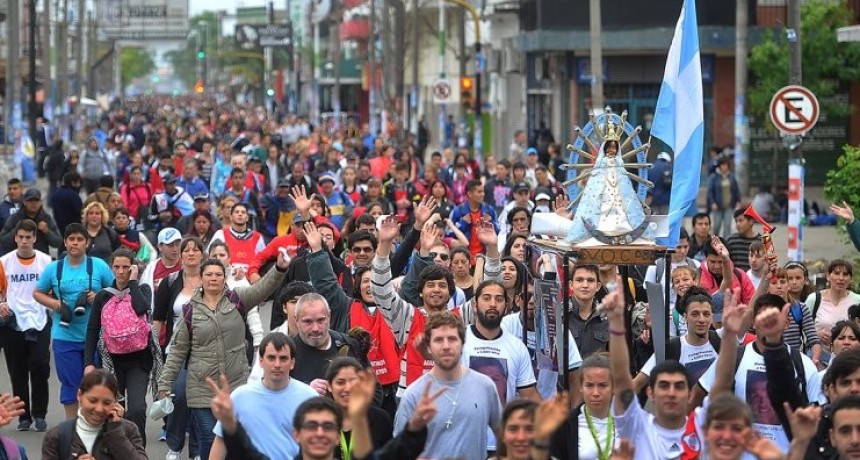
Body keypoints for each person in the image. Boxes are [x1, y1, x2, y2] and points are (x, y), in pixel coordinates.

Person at [157, 252, 288, 460]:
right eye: (208, 274)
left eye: (218, 274)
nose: (213, 278)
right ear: (201, 278)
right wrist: (164, 383)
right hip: (201, 387)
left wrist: (279, 269)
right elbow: (178, 350)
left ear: (224, 277)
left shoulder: (238, 299)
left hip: (235, 384)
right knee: (209, 439)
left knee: (234, 437)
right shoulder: (190, 311)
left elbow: (263, 289)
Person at [697, 293, 825, 452]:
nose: (767, 323)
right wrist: (729, 334)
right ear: (753, 322)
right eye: (762, 317)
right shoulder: (733, 358)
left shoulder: (804, 365)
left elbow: (815, 413)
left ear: (786, 323)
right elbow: (708, 393)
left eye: (773, 318)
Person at [395, 312, 503, 460]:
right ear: (429, 346)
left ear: (462, 343)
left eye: (452, 339)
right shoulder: (413, 394)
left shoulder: (485, 387)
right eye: (438, 340)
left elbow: (503, 435)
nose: (446, 346)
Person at [33, 224, 115, 420]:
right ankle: (73, 430)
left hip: (94, 335)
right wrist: (56, 304)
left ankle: (95, 426)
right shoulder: (55, 268)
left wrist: (99, 297)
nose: (75, 243)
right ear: (65, 242)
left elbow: (115, 292)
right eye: (71, 239)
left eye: (79, 239)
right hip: (65, 335)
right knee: (70, 385)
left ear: (87, 243)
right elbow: (37, 293)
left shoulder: (98, 266)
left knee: (96, 384)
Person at [83, 248, 159, 447]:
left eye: (126, 267)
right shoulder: (103, 296)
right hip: (113, 361)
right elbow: (92, 329)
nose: (121, 271)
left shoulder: (142, 290)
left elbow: (142, 308)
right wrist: (89, 362)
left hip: (139, 360)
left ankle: (137, 449)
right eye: (116, 267)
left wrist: (133, 282)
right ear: (111, 268)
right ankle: (117, 449)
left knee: (136, 409)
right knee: (115, 408)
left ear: (133, 268)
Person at [208, 333, 318, 460]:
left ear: (292, 363)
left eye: (283, 358)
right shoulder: (239, 396)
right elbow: (221, 441)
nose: (277, 364)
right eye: (271, 358)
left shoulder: (310, 398)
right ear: (261, 361)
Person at [151, 236, 208, 459]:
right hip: (176, 350)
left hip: (206, 349)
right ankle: (174, 445)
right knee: (180, 396)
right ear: (181, 255)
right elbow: (158, 318)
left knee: (201, 401)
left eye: (196, 250)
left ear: (202, 254)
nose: (191, 253)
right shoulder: (170, 281)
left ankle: (195, 450)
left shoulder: (212, 279)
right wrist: (155, 348)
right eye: (187, 250)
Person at [0, 219, 53, 432]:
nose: (24, 241)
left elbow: (51, 288)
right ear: (15, 238)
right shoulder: (4, 262)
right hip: (12, 322)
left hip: (39, 319)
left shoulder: (46, 261)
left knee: (40, 365)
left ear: (34, 238)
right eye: (20, 237)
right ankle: (24, 416)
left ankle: (40, 414)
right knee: (17, 370)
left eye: (28, 237)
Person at [565, 129, 651, 244]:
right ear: (605, 149)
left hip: (618, 192)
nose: (612, 150)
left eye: (614, 148)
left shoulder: (619, 164)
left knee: (621, 207)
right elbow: (595, 183)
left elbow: (625, 184)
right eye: (609, 147)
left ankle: (622, 228)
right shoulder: (600, 164)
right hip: (603, 192)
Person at [41, 369, 146, 459]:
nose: (99, 409)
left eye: (107, 403)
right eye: (93, 400)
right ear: (79, 396)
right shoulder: (57, 436)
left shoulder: (128, 430)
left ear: (115, 402)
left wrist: (115, 432)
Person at [325, 357, 393, 459]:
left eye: (353, 381)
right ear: (329, 386)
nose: (347, 388)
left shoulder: (380, 419)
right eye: (340, 382)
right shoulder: (320, 420)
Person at [811, 260, 860, 355]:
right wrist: (816, 335)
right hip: (818, 358)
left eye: (845, 274)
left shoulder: (857, 301)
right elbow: (803, 329)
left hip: (850, 358)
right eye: (836, 273)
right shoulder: (814, 299)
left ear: (851, 279)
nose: (841, 278)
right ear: (828, 276)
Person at [0, 188, 63, 255]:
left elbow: (58, 242)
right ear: (24, 202)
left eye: (36, 201)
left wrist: (47, 231)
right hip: (18, 259)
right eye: (30, 201)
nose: (33, 204)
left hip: (40, 260)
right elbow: (3, 241)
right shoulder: (15, 218)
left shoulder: (46, 218)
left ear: (40, 202)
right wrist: (16, 229)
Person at [450, 179, 499, 261]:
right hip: (464, 258)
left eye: (483, 191)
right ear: (469, 194)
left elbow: (499, 231)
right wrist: (462, 223)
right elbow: (449, 235)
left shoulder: (489, 210)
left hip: (485, 257)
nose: (482, 194)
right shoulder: (458, 211)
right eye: (479, 192)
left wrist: (491, 223)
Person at [208, 203, 267, 271]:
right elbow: (210, 257)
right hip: (226, 277)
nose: (240, 214)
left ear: (247, 218)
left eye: (243, 212)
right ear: (231, 217)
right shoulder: (220, 234)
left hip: (251, 278)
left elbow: (263, 261)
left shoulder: (257, 237)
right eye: (237, 212)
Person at [139, 227, 183, 308]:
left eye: (177, 244)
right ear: (160, 246)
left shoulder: (187, 266)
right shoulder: (150, 270)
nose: (175, 249)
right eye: (170, 245)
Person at [707, 156, 741, 238]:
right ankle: (715, 242)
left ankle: (726, 242)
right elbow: (710, 191)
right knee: (717, 225)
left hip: (729, 204)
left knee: (727, 225)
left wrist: (738, 201)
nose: (724, 167)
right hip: (718, 205)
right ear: (719, 165)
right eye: (723, 165)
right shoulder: (714, 177)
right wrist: (712, 203)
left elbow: (736, 189)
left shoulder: (731, 177)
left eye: (726, 165)